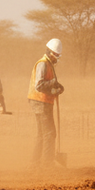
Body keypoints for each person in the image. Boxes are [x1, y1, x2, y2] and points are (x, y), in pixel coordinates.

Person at [26, 38, 65, 169]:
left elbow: (48, 84)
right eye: (57, 55)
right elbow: (39, 85)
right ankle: (47, 164)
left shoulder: (49, 64)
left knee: (42, 134)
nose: (57, 58)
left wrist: (57, 88)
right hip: (40, 102)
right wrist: (53, 84)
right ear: (50, 53)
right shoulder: (43, 64)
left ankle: (34, 162)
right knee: (50, 133)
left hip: (42, 102)